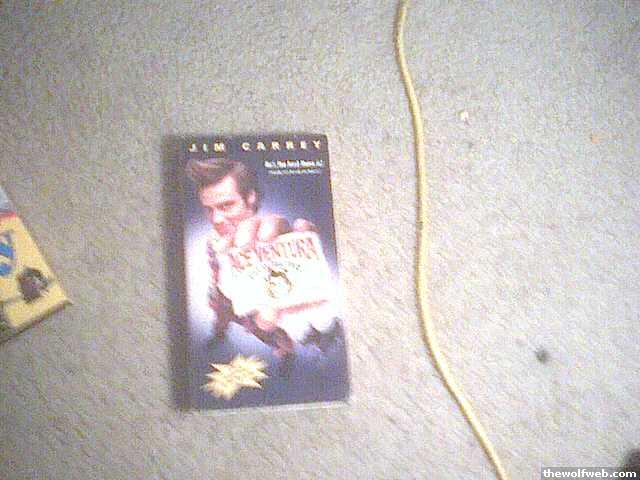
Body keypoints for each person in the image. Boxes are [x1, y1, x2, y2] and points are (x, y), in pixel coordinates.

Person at [186, 158, 339, 368]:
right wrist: (217, 288)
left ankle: (287, 357)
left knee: (274, 333)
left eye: (227, 205)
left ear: (250, 198)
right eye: (209, 209)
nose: (216, 219)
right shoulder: (213, 239)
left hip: (256, 309)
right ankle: (219, 334)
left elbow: (289, 294)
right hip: (223, 300)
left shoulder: (273, 238)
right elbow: (216, 263)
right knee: (220, 321)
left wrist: (300, 266)